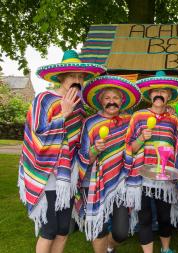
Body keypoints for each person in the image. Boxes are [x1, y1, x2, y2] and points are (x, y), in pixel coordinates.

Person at [18, 49, 105, 253]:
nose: (77, 80)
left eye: (80, 76)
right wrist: (63, 114)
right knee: (49, 229)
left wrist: (92, 149)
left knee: (64, 229)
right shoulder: (44, 99)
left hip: (68, 174)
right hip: (46, 171)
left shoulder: (80, 106)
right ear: (62, 77)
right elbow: (38, 134)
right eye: (72, 76)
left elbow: (77, 141)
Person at [74, 75, 141, 253]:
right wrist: (96, 149)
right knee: (99, 226)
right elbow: (84, 157)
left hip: (119, 182)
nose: (112, 102)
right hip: (94, 182)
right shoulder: (90, 123)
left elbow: (135, 145)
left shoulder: (129, 121)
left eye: (116, 98)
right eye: (107, 98)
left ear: (122, 100)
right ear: (100, 101)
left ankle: (110, 247)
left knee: (121, 232)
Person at [125, 71, 178, 253]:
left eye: (164, 91)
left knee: (164, 217)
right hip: (142, 175)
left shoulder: (175, 119)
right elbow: (130, 148)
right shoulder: (138, 116)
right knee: (144, 217)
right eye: (155, 91)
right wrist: (142, 138)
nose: (159, 94)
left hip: (164, 177)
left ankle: (166, 249)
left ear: (168, 95)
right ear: (150, 95)